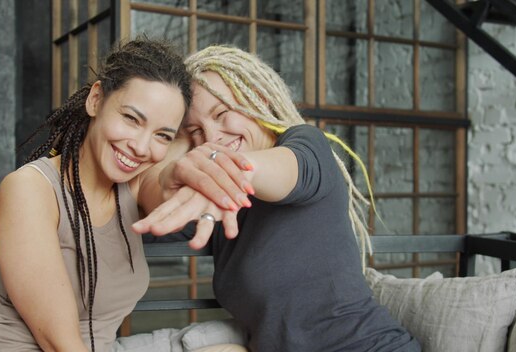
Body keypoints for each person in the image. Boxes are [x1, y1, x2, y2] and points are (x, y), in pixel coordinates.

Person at [134, 46, 422, 352]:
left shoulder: (305, 146)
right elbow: (138, 221)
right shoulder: (216, 205)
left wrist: (215, 163)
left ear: (259, 99)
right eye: (194, 131)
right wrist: (178, 146)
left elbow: (275, 168)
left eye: (222, 115)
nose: (212, 137)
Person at [0, 37, 197, 352]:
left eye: (162, 135)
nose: (141, 147)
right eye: (132, 118)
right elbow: (60, 344)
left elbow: (171, 172)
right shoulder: (30, 190)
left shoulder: (136, 184)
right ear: (96, 100)